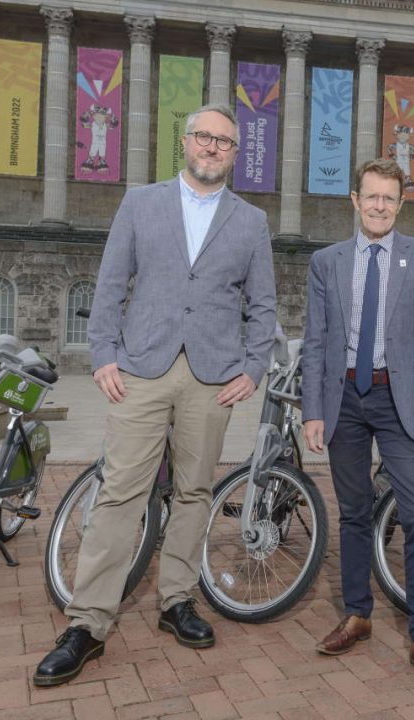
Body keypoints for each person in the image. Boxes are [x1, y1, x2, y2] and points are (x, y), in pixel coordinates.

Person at [33, 104, 277, 687]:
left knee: (194, 490)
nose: (213, 148)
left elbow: (263, 305)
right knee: (122, 491)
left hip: (212, 377)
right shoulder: (141, 203)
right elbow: (111, 283)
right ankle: (87, 622)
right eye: (204, 137)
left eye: (224, 142)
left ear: (235, 153)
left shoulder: (250, 221)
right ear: (186, 142)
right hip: (141, 369)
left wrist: (254, 365)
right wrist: (104, 355)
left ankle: (177, 600)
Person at [301, 158, 414, 688]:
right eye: (372, 196)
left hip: (400, 399)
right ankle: (358, 614)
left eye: (390, 198)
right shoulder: (327, 262)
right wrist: (313, 410)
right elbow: (316, 340)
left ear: (401, 203)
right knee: (353, 513)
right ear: (354, 199)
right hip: (342, 397)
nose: (380, 206)